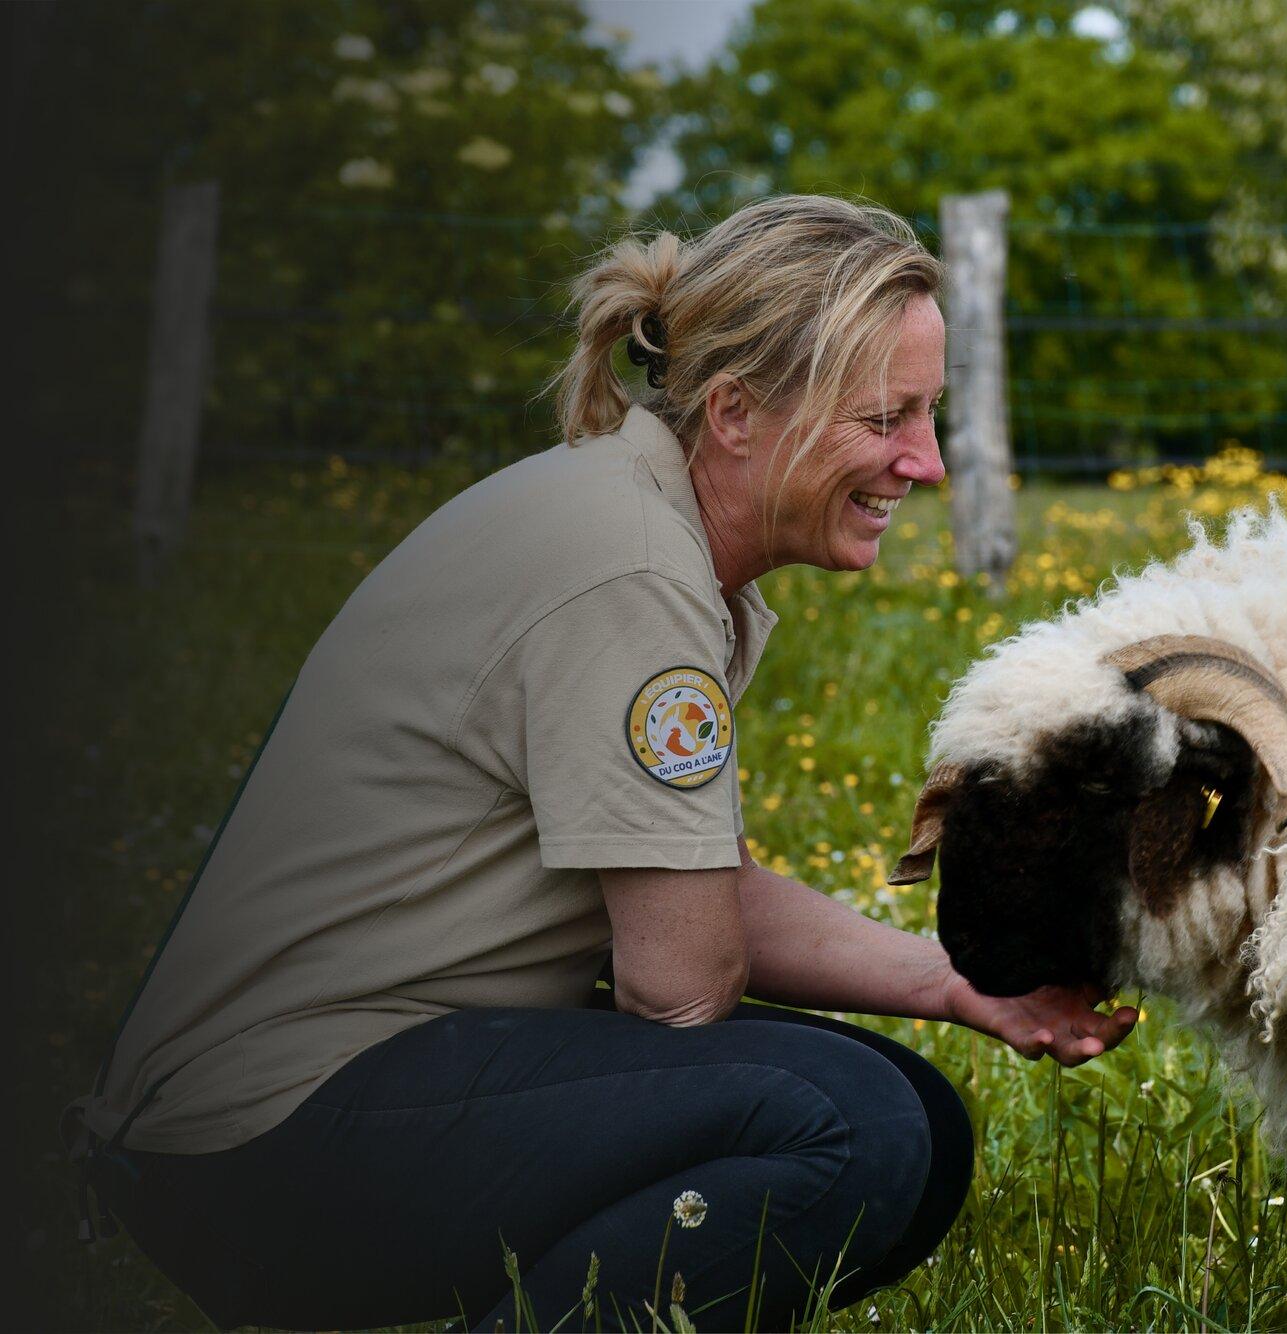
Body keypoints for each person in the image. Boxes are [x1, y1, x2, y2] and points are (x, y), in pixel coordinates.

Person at [66, 194, 1139, 1331]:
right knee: (854, 1126)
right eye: (884, 417)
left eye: (927, 413)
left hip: (291, 1112)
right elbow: (677, 988)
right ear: (733, 410)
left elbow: (677, 881)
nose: (923, 462)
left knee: (914, 1118)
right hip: (262, 1140)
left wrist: (956, 983)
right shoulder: (632, 573)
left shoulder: (635, 526)